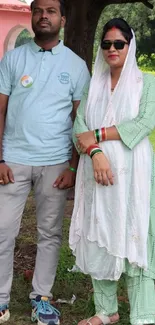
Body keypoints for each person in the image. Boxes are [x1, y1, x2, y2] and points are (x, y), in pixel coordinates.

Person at [0, 0, 90, 324]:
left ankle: (42, 298)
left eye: (51, 11)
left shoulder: (77, 66)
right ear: (32, 16)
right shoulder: (12, 59)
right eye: (38, 10)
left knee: (49, 233)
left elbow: (81, 120)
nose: (43, 16)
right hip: (13, 161)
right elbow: (0, 110)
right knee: (2, 231)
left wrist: (71, 166)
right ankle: (0, 300)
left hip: (55, 165)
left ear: (62, 19)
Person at [69, 18, 155, 325]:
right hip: (95, 172)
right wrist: (95, 153)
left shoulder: (146, 83)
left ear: (130, 47)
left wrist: (99, 136)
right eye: (106, 44)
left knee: (135, 233)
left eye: (119, 43)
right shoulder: (92, 84)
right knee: (99, 233)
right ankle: (106, 311)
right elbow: (80, 127)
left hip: (133, 176)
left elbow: (144, 123)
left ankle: (145, 313)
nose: (112, 49)